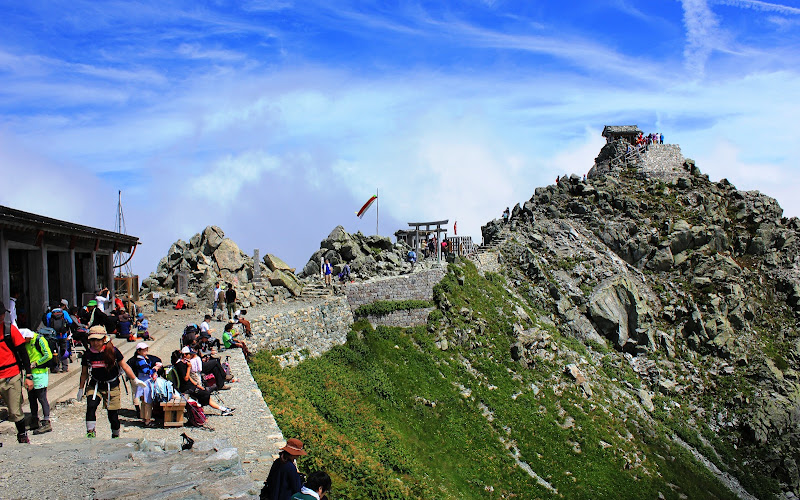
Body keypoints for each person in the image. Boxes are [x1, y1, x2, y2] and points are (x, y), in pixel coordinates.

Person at [78, 326, 145, 438]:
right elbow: (84, 373)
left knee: (112, 414)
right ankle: (90, 432)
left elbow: (125, 366)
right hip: (95, 385)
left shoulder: (113, 351)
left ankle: (115, 434)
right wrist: (81, 388)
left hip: (112, 386)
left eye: (98, 340)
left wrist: (135, 379)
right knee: (91, 405)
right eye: (92, 340)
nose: (95, 343)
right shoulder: (88, 355)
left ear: (104, 339)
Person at [0, 302, 34, 443]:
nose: (2, 316)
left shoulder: (9, 329)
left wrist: (28, 375)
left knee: (14, 410)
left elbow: (23, 354)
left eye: (3, 314)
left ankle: (21, 434)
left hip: (11, 374)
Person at [173, 346, 234, 415]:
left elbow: (189, 378)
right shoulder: (180, 365)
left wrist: (197, 385)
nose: (191, 356)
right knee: (205, 394)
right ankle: (221, 409)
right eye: (189, 354)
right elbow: (186, 378)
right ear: (185, 355)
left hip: (191, 386)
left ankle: (223, 409)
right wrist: (189, 368)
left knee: (205, 393)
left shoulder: (183, 363)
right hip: (187, 388)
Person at [21, 328, 54, 435]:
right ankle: (34, 420)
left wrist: (36, 363)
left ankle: (46, 422)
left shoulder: (39, 340)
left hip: (40, 373)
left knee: (42, 397)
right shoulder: (25, 342)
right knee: (31, 398)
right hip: (29, 374)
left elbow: (48, 355)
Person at [132, 342, 162, 427]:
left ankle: (144, 418)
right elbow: (147, 371)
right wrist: (155, 368)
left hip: (141, 381)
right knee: (148, 401)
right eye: (144, 350)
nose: (146, 351)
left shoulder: (141, 359)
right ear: (139, 351)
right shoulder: (141, 360)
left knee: (144, 402)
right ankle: (148, 421)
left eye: (146, 349)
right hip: (145, 382)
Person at [46, 301, 75, 373]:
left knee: (54, 351)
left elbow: (48, 325)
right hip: (63, 335)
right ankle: (65, 367)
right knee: (64, 350)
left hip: (53, 336)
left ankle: (56, 368)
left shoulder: (49, 314)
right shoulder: (64, 313)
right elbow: (70, 322)